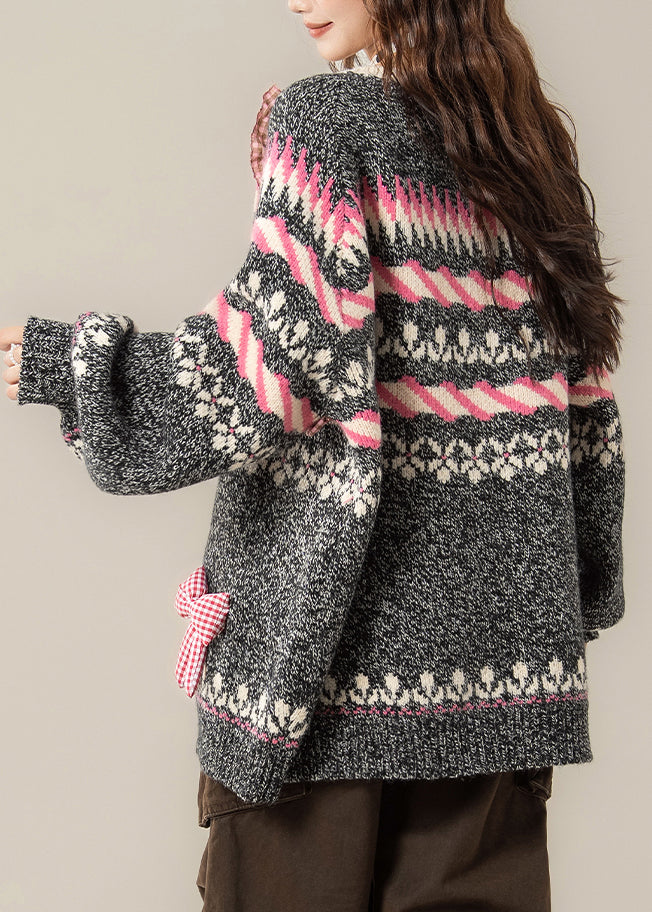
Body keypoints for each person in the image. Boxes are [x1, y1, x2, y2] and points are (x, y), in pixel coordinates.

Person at [1, 1, 626, 910]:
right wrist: (580, 592)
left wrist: (78, 365)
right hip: (506, 676)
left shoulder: (327, 120)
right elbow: (587, 400)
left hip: (323, 679)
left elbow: (261, 372)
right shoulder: (527, 145)